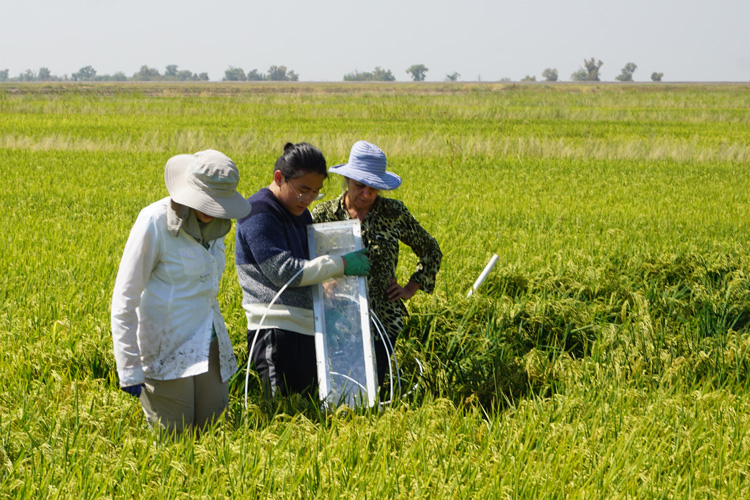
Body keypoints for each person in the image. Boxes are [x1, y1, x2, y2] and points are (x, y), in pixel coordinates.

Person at [111, 149, 252, 436]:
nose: (212, 210)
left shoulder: (220, 225)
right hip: (166, 347)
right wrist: (128, 366)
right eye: (208, 202)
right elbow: (125, 298)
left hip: (209, 343)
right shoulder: (155, 222)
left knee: (211, 436)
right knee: (174, 441)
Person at [235, 142, 369, 399]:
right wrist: (340, 264)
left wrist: (328, 309)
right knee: (280, 415)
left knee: (308, 411)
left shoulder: (301, 214)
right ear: (279, 178)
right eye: (302, 190)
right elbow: (285, 273)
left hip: (307, 329)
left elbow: (310, 267)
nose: (308, 199)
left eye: (315, 193)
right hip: (274, 330)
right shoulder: (258, 211)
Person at [311, 140, 442, 389]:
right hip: (337, 316)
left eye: (374, 188)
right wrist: (324, 281)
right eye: (361, 186)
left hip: (382, 317)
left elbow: (431, 250)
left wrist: (410, 288)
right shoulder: (323, 215)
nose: (367, 194)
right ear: (348, 180)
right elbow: (306, 260)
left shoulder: (393, 213)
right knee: (342, 385)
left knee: (374, 384)